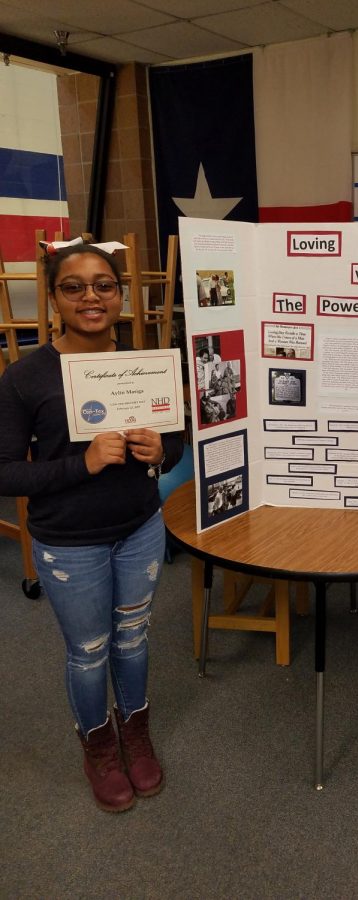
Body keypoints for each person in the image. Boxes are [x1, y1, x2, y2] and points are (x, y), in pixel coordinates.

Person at [0, 244, 184, 813]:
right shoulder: (25, 378)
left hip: (139, 528)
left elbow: (173, 446)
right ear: (54, 297)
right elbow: (6, 471)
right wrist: (82, 464)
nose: (91, 297)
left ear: (121, 294)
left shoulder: (144, 365)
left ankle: (134, 730)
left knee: (132, 640)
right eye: (74, 286)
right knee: (89, 650)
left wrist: (161, 449)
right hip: (67, 543)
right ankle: (98, 745)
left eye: (103, 285)